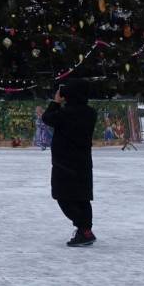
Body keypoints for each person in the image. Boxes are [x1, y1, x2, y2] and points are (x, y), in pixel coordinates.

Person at [41, 79, 98, 247]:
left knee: (63, 196)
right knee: (82, 198)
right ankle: (85, 230)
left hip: (64, 163)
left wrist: (55, 102)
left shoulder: (66, 113)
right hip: (83, 162)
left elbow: (47, 118)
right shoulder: (90, 112)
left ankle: (83, 229)